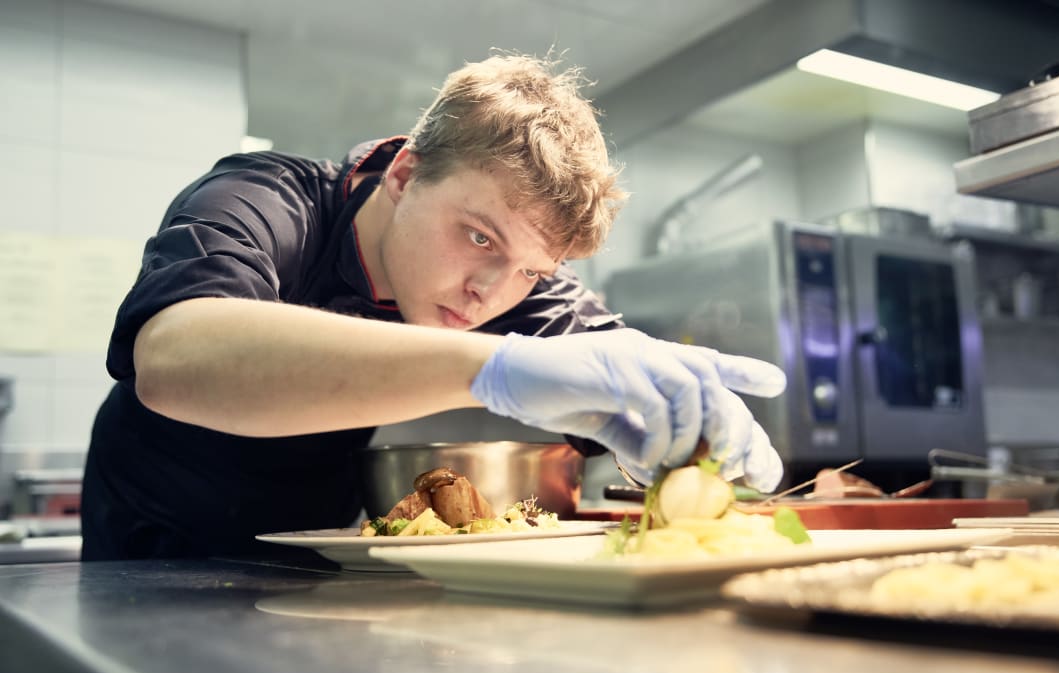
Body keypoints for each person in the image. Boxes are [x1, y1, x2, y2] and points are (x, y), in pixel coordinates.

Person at [80, 53, 786, 560]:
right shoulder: (267, 199)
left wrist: (682, 420)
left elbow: (618, 362)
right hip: (149, 545)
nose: (491, 290)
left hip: (311, 552)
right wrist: (494, 366)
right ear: (405, 171)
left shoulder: (512, 277)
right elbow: (174, 360)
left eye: (531, 272)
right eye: (477, 236)